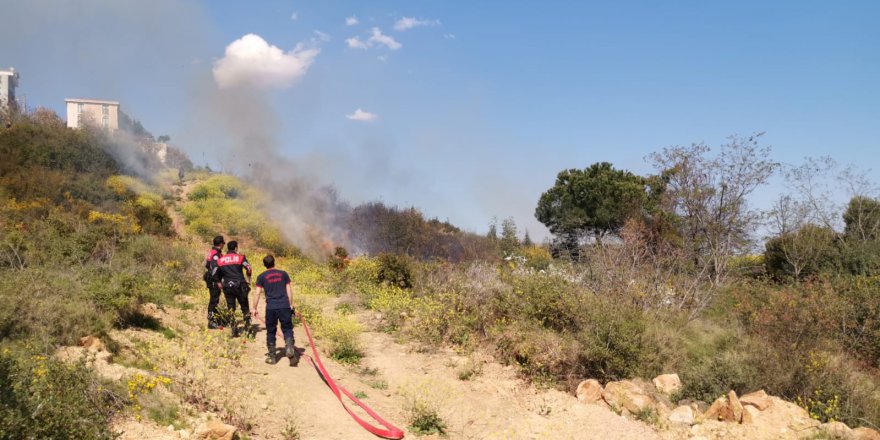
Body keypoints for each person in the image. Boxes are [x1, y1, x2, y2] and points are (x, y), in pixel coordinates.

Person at [252, 255, 298, 365]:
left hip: (271, 307)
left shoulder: (261, 276)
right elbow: (288, 290)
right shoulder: (283, 274)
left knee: (271, 331)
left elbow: (257, 293)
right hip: (284, 306)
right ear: (274, 262)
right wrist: (290, 304)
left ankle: (272, 357)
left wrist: (254, 308)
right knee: (287, 328)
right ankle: (289, 348)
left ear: (264, 265)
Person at [216, 240, 253, 337]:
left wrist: (219, 282)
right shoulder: (240, 257)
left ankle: (233, 329)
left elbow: (215, 272)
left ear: (228, 248)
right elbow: (248, 268)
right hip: (240, 285)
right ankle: (248, 328)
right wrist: (248, 279)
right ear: (236, 247)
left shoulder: (221, 260)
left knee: (231, 308)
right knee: (244, 306)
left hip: (227, 286)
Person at [203, 235, 225, 329]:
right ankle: (211, 322)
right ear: (220, 244)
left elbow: (207, 264)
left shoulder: (212, 252)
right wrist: (218, 281)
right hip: (213, 280)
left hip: (211, 278)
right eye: (223, 243)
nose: (224, 245)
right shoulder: (216, 254)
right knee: (214, 300)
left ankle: (215, 319)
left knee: (214, 299)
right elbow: (214, 269)